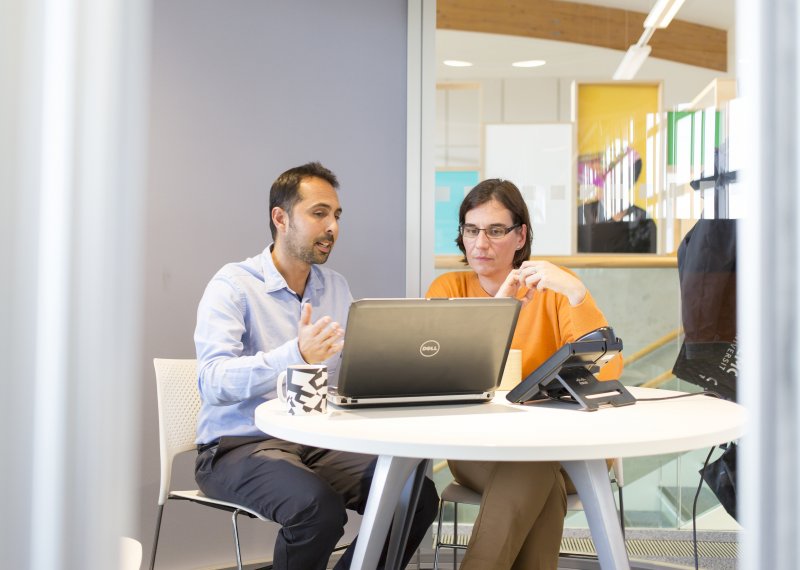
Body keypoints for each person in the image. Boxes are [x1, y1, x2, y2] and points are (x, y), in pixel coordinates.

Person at [194, 161, 438, 570]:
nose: (333, 227)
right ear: (280, 218)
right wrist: (296, 355)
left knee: (414, 495)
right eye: (319, 213)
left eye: (337, 215)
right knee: (317, 510)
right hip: (236, 445)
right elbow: (212, 381)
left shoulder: (335, 287)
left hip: (315, 441)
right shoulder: (233, 285)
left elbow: (350, 372)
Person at [426, 178, 623, 570]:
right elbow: (441, 374)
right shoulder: (448, 287)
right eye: (471, 230)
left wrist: (577, 293)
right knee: (535, 471)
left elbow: (606, 368)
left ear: (521, 236)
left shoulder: (554, 287)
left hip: (570, 449)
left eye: (496, 231)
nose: (480, 243)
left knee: (535, 465)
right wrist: (501, 310)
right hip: (480, 449)